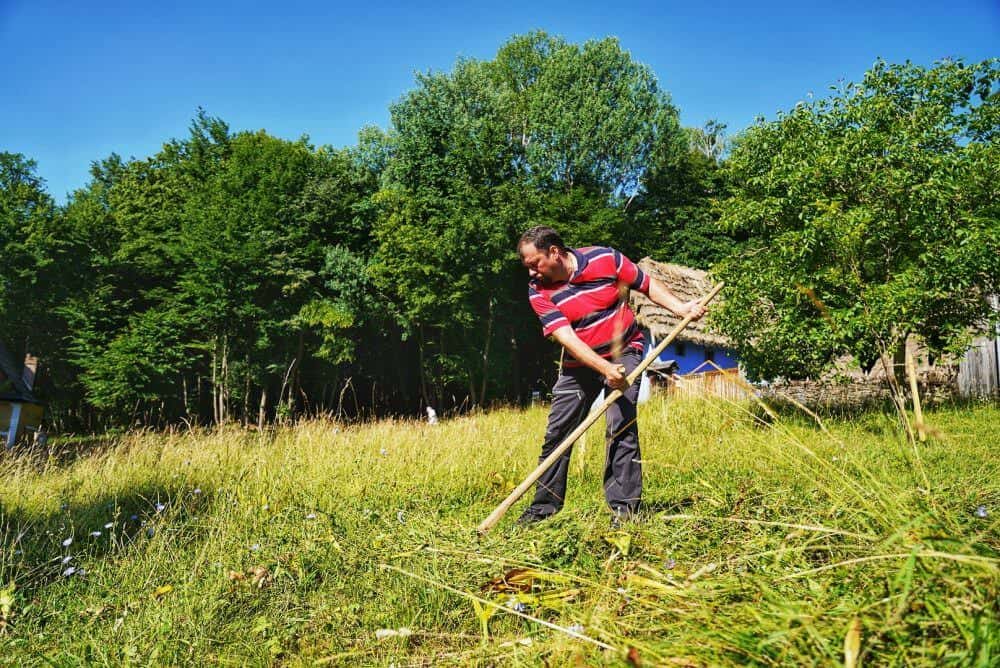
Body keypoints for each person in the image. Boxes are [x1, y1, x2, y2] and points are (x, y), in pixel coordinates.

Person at [516, 225, 706, 527]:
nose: (531, 272)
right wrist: (604, 370)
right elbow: (568, 339)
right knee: (558, 431)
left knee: (621, 426)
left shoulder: (606, 259)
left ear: (554, 252)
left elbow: (646, 284)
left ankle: (624, 510)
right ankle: (543, 510)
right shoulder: (538, 290)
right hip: (580, 363)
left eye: (534, 263)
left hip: (625, 351)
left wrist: (681, 308)